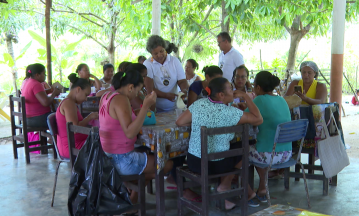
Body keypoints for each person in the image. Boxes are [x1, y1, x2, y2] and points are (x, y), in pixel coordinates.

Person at [176, 77, 263, 209]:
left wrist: (199, 122)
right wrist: (246, 96)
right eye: (230, 89)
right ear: (221, 95)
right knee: (243, 148)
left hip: (194, 162)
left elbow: (179, 122)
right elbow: (258, 119)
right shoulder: (231, 113)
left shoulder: (199, 104)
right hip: (217, 166)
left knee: (236, 148)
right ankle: (225, 185)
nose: (233, 91)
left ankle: (227, 189)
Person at [99, 70, 173, 204]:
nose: (137, 94)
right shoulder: (121, 99)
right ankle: (131, 200)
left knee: (148, 160)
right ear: (130, 87)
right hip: (122, 159)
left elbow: (117, 119)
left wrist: (137, 112)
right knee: (167, 164)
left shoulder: (107, 96)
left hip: (106, 156)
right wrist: (145, 106)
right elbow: (130, 132)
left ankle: (130, 195)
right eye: (138, 90)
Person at [244, 71, 292, 202]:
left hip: (270, 155)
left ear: (258, 87)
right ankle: (262, 188)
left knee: (240, 153)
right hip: (286, 154)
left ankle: (248, 191)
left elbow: (244, 117)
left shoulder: (259, 99)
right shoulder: (281, 100)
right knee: (259, 149)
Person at [56, 73, 99, 158]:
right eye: (86, 95)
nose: (86, 99)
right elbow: (75, 129)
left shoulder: (71, 103)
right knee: (105, 143)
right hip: (71, 146)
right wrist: (89, 117)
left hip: (76, 143)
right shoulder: (68, 103)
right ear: (78, 89)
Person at [143, 35, 188, 112]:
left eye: (161, 51)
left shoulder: (174, 61)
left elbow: (182, 81)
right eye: (155, 53)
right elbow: (149, 89)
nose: (159, 55)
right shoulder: (148, 64)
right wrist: (166, 96)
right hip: (156, 108)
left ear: (165, 49)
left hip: (175, 107)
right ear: (151, 53)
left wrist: (184, 91)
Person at [21, 63, 61, 128]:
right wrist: (54, 93)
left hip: (28, 119)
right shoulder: (36, 84)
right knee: (63, 117)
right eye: (44, 73)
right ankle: (59, 138)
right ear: (37, 75)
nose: (45, 75)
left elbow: (37, 94)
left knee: (59, 116)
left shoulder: (28, 81)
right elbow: (46, 103)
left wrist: (50, 90)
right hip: (38, 119)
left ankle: (53, 138)